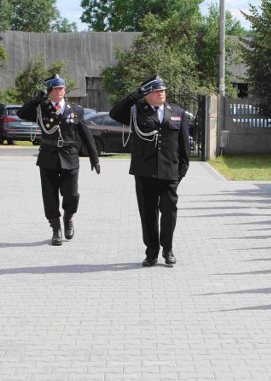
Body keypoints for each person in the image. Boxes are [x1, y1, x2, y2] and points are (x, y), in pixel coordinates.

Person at [109, 76, 190, 267]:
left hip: (170, 172)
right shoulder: (137, 111)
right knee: (148, 213)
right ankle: (152, 252)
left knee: (169, 212)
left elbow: (184, 145)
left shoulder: (177, 112)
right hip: (145, 172)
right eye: (155, 91)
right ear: (147, 95)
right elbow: (114, 113)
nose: (161, 93)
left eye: (162, 90)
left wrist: (181, 172)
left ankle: (168, 249)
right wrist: (134, 96)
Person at [17, 74, 101, 246]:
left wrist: (94, 157)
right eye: (55, 89)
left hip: (70, 156)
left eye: (61, 88)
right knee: (50, 196)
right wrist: (35, 101)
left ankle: (68, 217)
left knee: (72, 194)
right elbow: (21, 113)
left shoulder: (76, 110)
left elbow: (85, 134)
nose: (59, 91)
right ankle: (56, 229)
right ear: (49, 91)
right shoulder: (41, 109)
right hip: (48, 157)